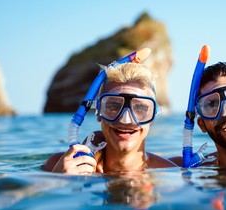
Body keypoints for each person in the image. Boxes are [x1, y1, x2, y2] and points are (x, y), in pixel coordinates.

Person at [43, 62, 177, 174]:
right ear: (98, 112)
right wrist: (58, 180)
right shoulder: (58, 165)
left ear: (152, 117)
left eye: (140, 108)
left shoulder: (169, 174)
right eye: (113, 105)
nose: (126, 120)